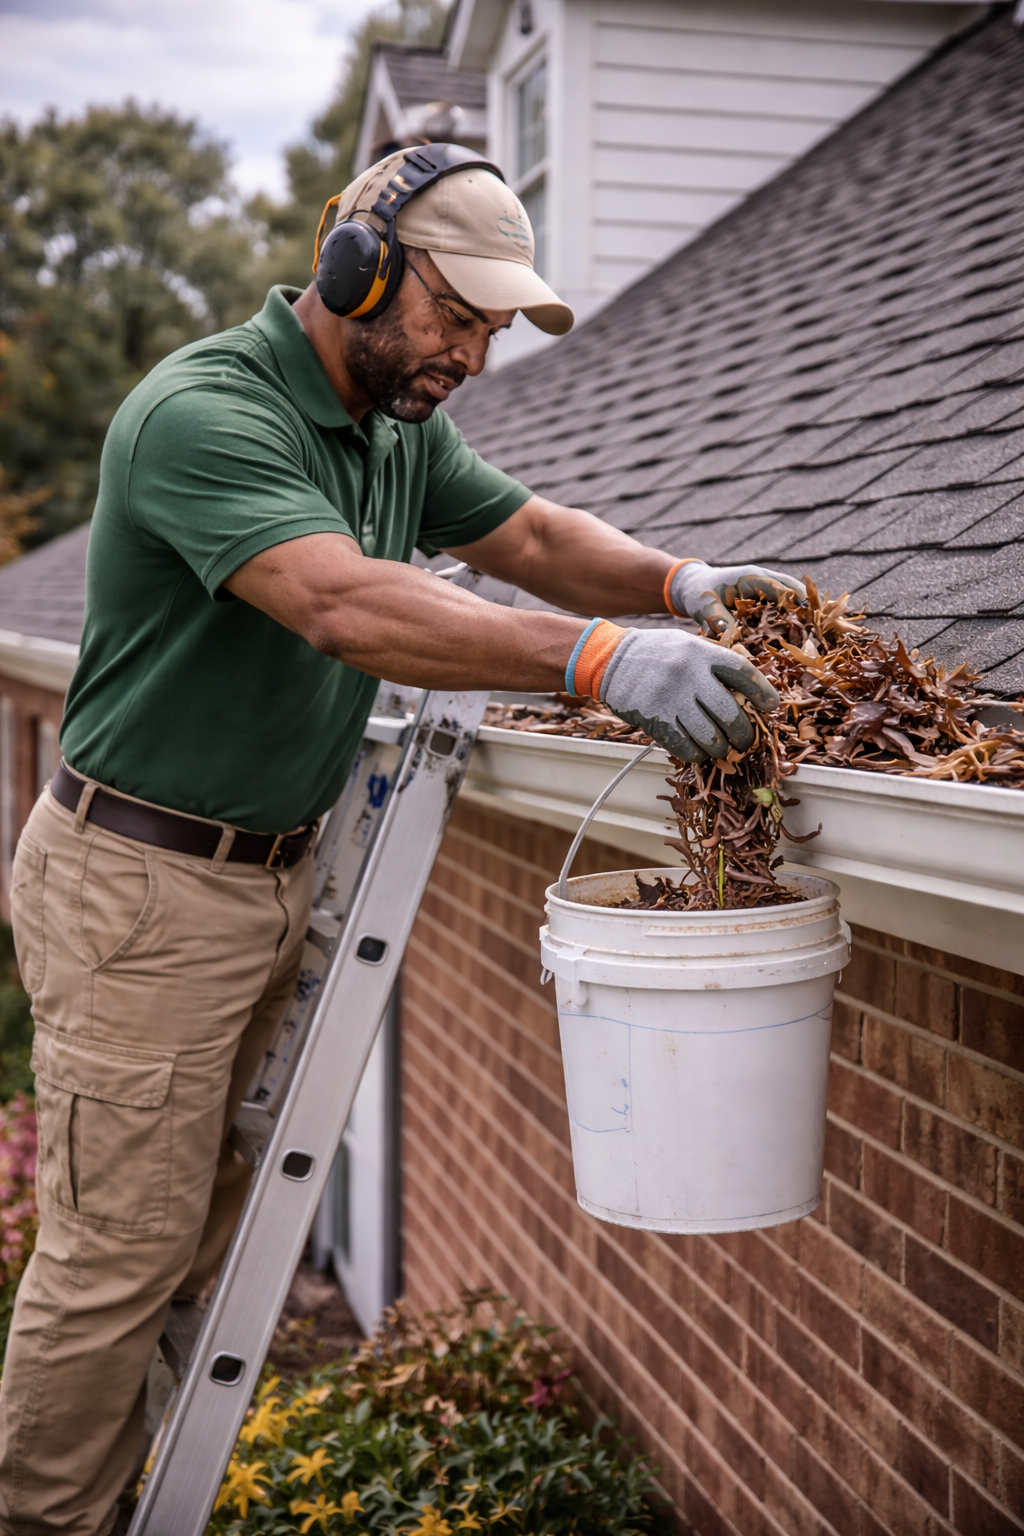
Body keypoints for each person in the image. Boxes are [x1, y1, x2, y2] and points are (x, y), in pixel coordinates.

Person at [0, 145, 804, 1536]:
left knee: (190, 1235)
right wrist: (606, 661)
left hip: (259, 873)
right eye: (455, 315)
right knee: (115, 1256)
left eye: (494, 328)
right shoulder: (209, 412)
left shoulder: (394, 424)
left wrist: (677, 581)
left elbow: (534, 536)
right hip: (141, 886)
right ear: (353, 272)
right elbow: (341, 606)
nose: (474, 356)